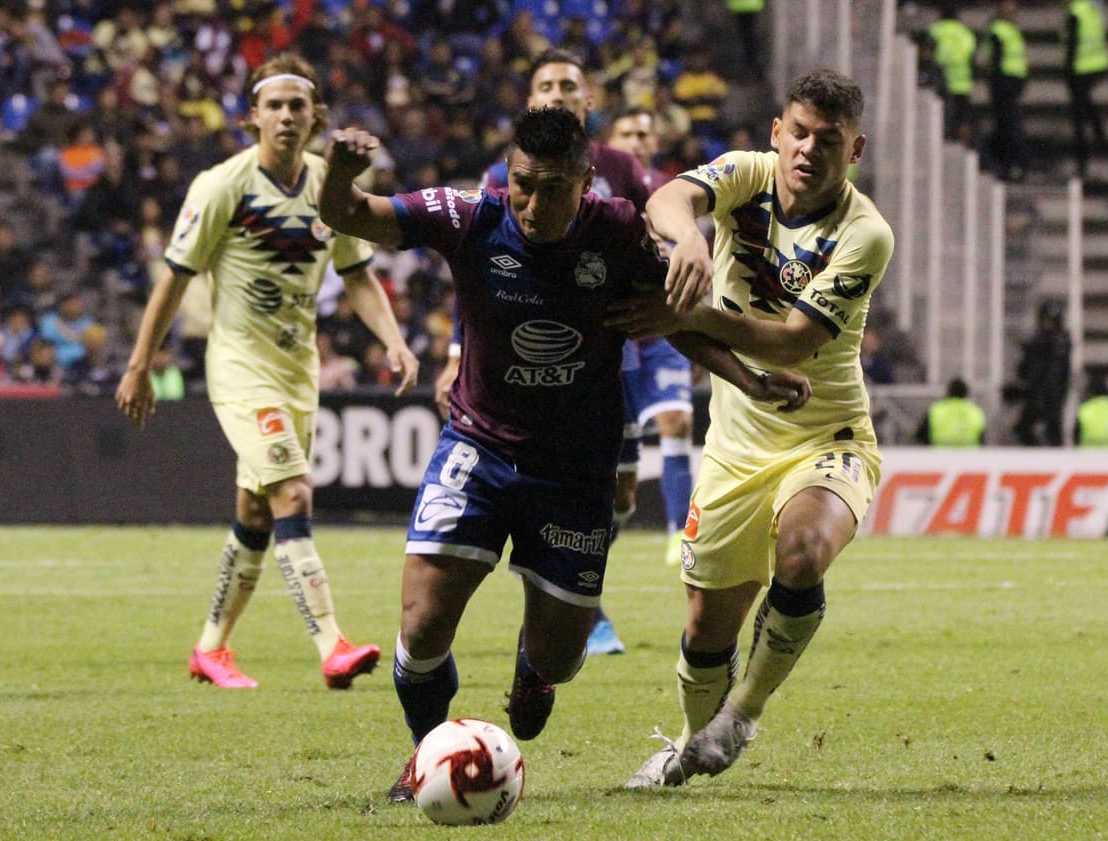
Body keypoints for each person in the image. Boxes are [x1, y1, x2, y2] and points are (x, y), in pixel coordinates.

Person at [317, 106, 811, 800]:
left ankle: (534, 667)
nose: (532, 203)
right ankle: (428, 756)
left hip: (576, 472)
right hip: (478, 447)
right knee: (423, 622)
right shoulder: (471, 216)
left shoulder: (617, 233)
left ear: (585, 182)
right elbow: (351, 212)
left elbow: (675, 319)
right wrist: (339, 172)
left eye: (552, 188)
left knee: (560, 653)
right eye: (522, 183)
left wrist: (750, 379)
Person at [608, 69, 894, 787]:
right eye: (798, 133)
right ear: (777, 132)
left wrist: (688, 312)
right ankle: (688, 742)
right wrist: (688, 243)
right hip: (735, 446)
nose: (808, 150)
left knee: (802, 552)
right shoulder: (748, 173)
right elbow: (668, 196)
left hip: (826, 434)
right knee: (707, 626)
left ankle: (745, 709)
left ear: (853, 149)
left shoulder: (865, 234)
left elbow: (793, 340)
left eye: (827, 141)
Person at [114, 53, 419, 690]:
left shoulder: (325, 188)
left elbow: (357, 275)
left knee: (256, 510)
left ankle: (211, 649)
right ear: (252, 116)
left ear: (315, 119)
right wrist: (141, 364)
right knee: (293, 494)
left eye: (296, 105)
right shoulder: (221, 185)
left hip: (296, 368)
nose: (285, 115)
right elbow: (174, 280)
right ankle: (332, 644)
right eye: (273, 105)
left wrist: (394, 341)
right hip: (240, 364)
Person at [443, 48, 656, 656]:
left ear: (589, 101)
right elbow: (477, 273)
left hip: (615, 355)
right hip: (523, 354)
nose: (558, 93)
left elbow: (650, 239)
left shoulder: (621, 166)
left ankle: (568, 590)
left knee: (622, 492)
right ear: (530, 101)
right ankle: (571, 607)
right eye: (546, 85)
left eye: (570, 84)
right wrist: (456, 353)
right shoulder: (503, 173)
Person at [607, 106, 698, 577]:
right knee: (617, 488)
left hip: (659, 329)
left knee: (677, 422)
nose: (639, 139)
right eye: (628, 131)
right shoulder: (596, 189)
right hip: (614, 333)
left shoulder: (671, 192)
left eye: (646, 132)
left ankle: (681, 533)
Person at [1010, 300, 1072, 446]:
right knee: (1022, 429)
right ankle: (1036, 454)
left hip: (1051, 396)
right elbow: (1024, 370)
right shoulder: (1037, 344)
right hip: (1036, 394)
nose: (1048, 324)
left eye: (1052, 321)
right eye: (1046, 320)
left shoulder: (1060, 342)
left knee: (1053, 430)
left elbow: (1055, 371)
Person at [1062, 0, 1108, 177]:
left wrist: (1067, 70)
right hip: (1098, 64)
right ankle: (1100, 138)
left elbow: (1072, 43)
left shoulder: (1076, 12)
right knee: (1088, 108)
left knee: (1080, 118)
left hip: (1081, 69)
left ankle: (1084, 157)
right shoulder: (1092, 7)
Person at [984, 0, 1029, 182]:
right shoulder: (1000, 30)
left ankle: (1012, 164)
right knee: (1008, 126)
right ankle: (1010, 164)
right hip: (1005, 82)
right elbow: (996, 60)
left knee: (1010, 125)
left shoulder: (1010, 29)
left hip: (1012, 82)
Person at [928, 3, 977, 144]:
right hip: (962, 84)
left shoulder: (936, 30)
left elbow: (928, 55)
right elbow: (972, 60)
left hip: (941, 83)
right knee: (961, 121)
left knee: (943, 119)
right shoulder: (966, 33)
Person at [916, 377, 986, 446]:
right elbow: (982, 440)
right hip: (970, 456)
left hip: (940, 455)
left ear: (948, 392)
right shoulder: (976, 412)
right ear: (966, 393)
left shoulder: (936, 410)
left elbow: (920, 436)